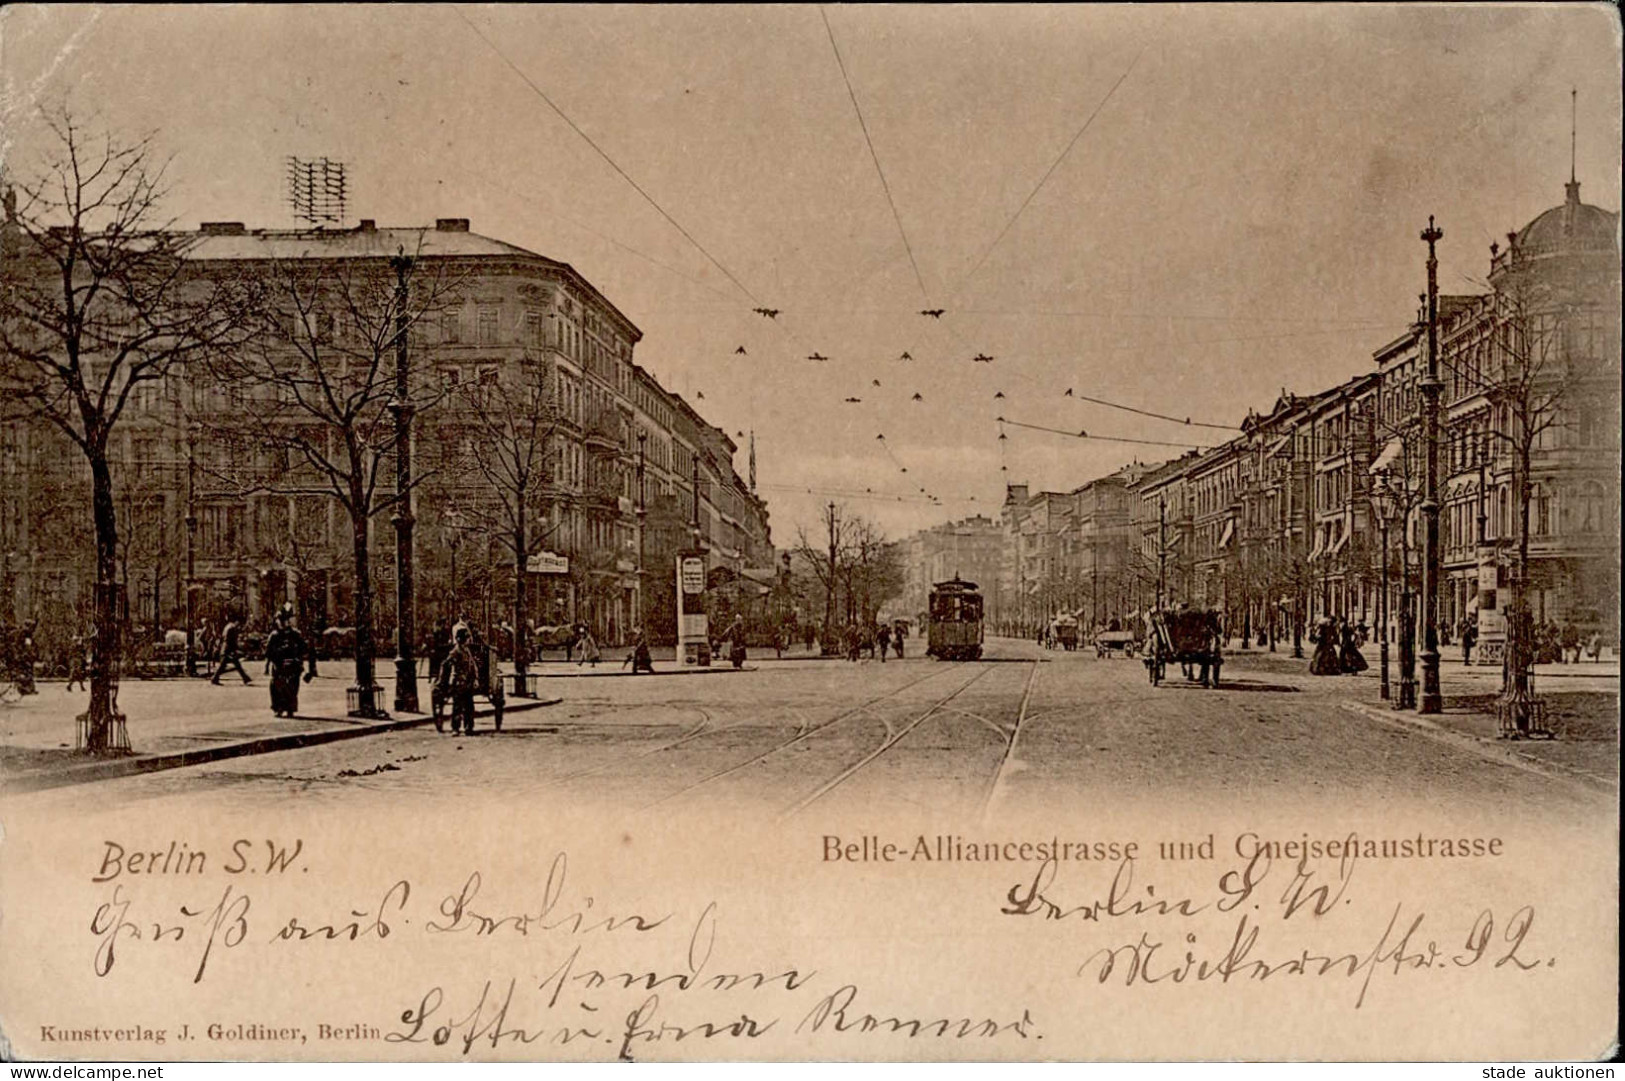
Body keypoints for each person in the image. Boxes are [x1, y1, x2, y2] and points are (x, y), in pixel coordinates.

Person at [265, 606, 313, 718]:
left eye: (283, 620)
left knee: (292, 686)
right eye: (280, 620)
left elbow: (304, 649)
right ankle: (279, 708)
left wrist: (299, 659)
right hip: (279, 665)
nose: (282, 623)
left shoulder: (295, 634)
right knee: (277, 686)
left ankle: (290, 708)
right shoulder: (274, 636)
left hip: (293, 665)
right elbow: (268, 652)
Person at [438, 624, 480, 734]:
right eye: (466, 638)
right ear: (462, 640)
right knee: (457, 706)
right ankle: (455, 728)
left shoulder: (467, 650)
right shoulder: (456, 651)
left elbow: (472, 665)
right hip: (458, 683)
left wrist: (475, 678)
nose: (468, 640)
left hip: (467, 683)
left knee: (469, 706)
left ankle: (468, 728)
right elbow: (446, 663)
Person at [210, 615, 252, 685]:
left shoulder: (227, 626)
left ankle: (245, 678)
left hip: (225, 648)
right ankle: (214, 678)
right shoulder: (232, 627)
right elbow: (232, 640)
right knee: (225, 665)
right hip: (228, 649)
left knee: (233, 664)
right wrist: (235, 648)